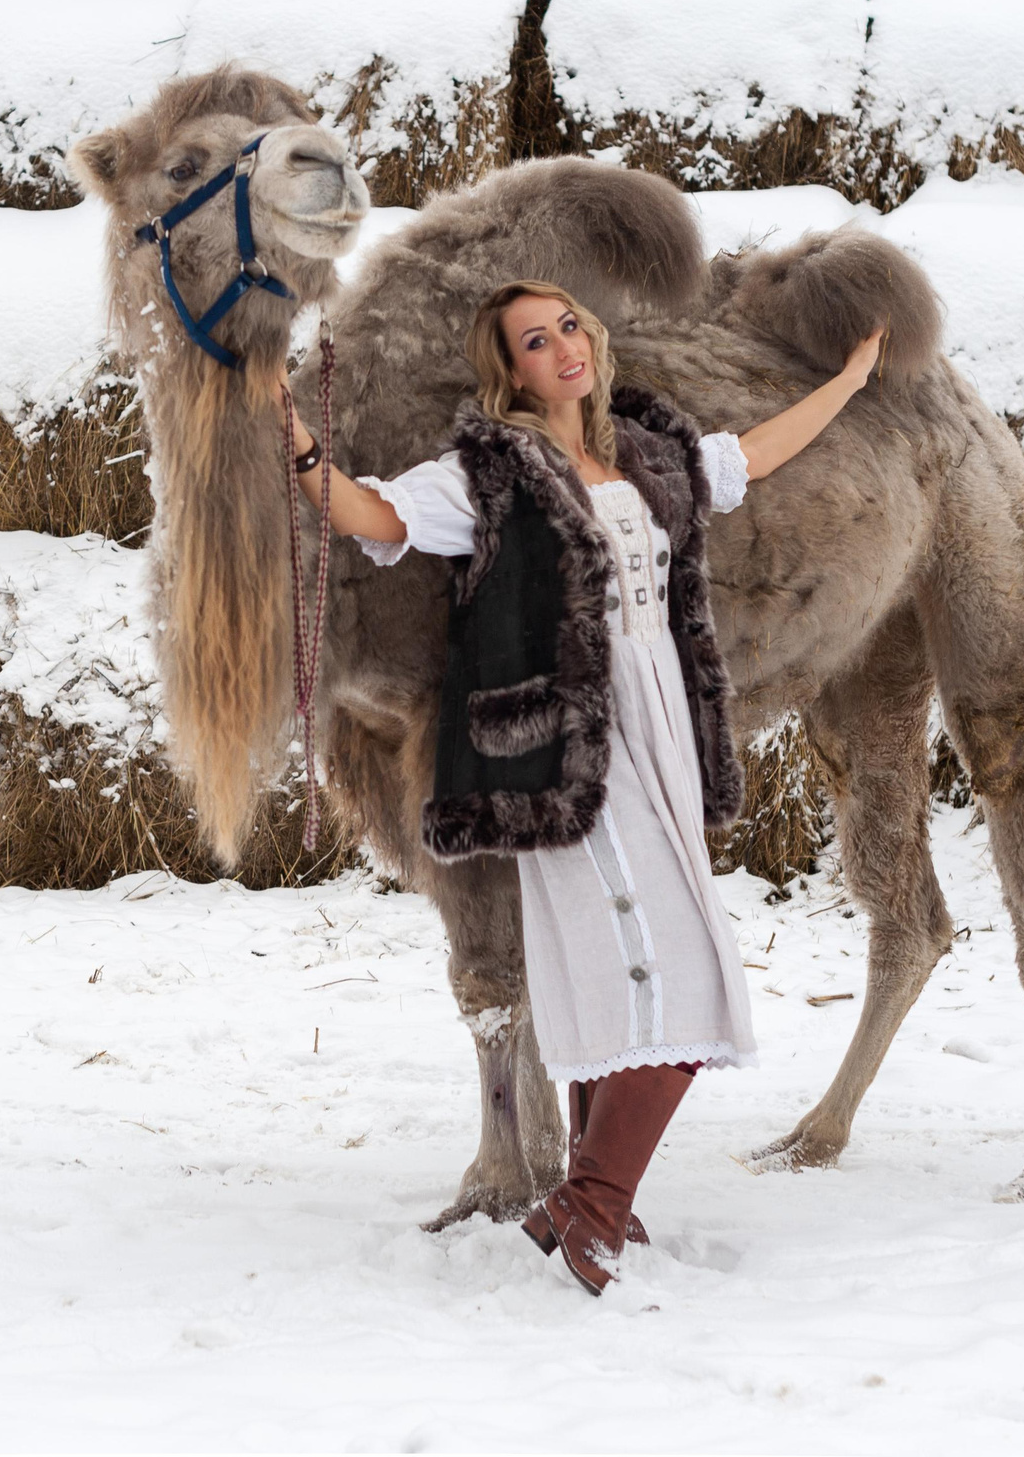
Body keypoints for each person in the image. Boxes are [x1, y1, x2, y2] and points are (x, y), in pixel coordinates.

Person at [281, 279, 882, 1295]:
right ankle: (592, 1205)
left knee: (625, 975)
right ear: (508, 369)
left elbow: (756, 454)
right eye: (533, 340)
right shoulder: (488, 473)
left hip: (665, 733)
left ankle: (590, 1202)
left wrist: (855, 379)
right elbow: (366, 512)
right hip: (570, 745)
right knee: (680, 971)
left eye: (567, 326)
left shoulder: (649, 452)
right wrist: (295, 437)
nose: (562, 346)